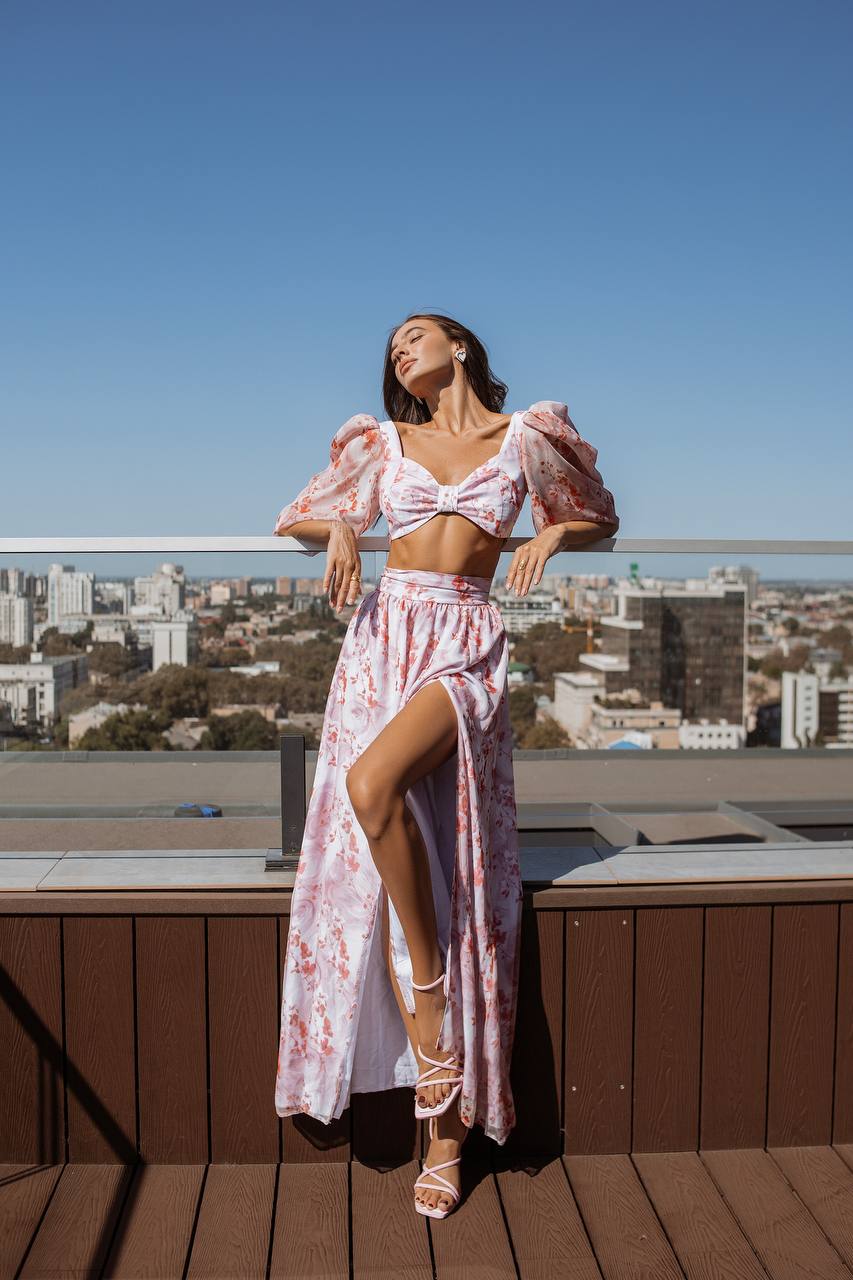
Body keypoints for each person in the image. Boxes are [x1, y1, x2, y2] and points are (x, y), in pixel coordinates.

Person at [272, 311, 619, 1218]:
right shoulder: (380, 440)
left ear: (459, 347)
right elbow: (296, 516)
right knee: (399, 868)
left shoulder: (528, 436)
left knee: (384, 799)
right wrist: (340, 532)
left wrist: (550, 536)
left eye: (413, 335)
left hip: (464, 641)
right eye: (391, 346)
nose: (399, 349)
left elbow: (600, 516)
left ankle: (434, 1011)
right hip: (384, 639)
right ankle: (443, 1125)